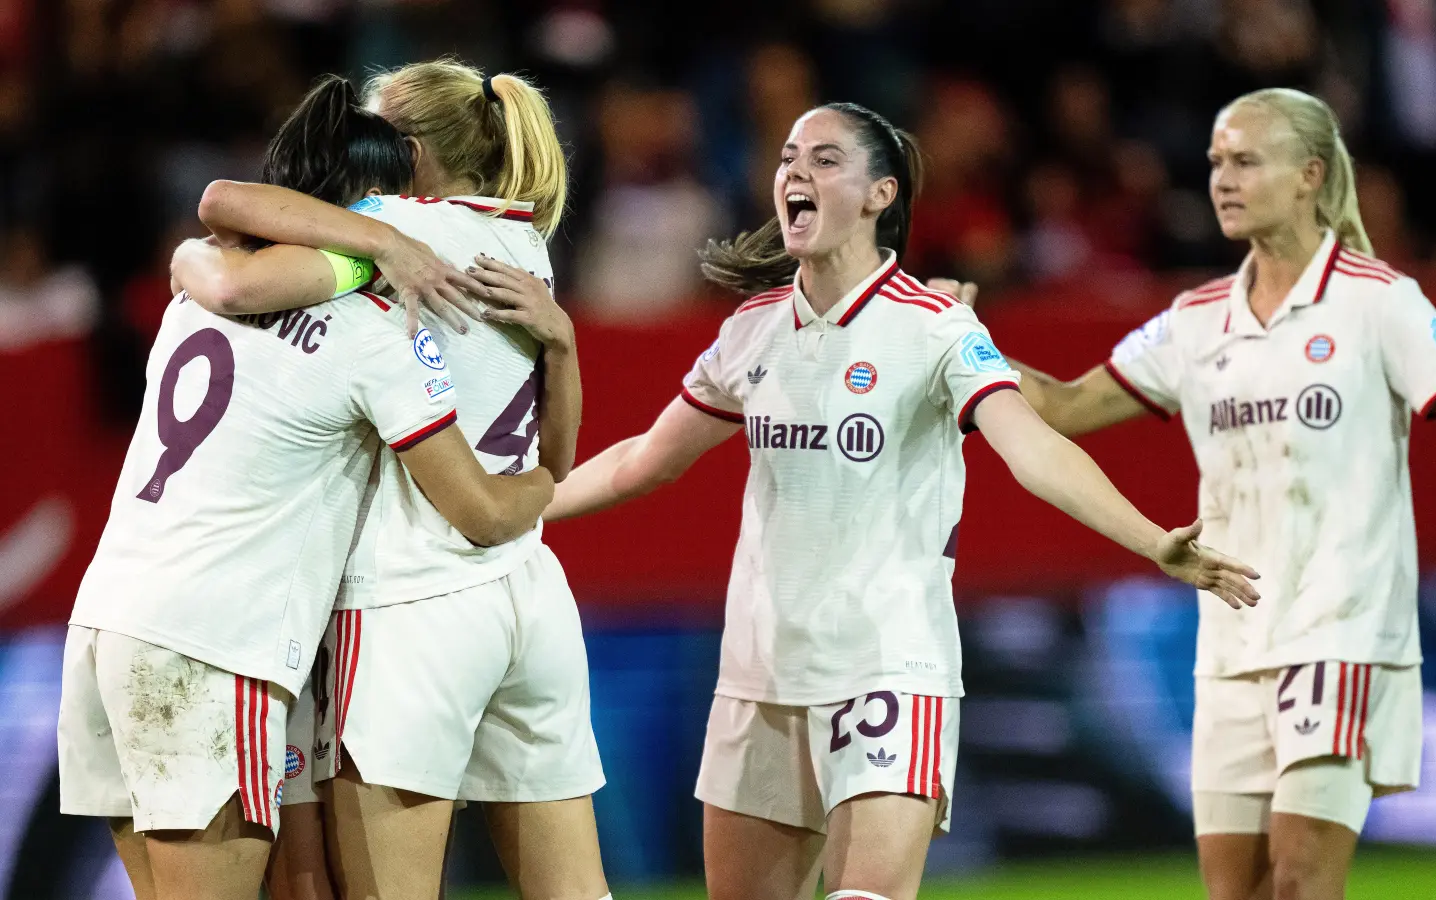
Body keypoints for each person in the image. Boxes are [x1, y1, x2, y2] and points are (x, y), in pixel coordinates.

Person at [542, 101, 1261, 900]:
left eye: (822, 160)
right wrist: (517, 514)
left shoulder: (935, 328)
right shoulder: (751, 330)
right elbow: (643, 461)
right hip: (759, 677)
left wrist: (1151, 539)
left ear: (881, 194)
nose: (794, 174)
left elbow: (1033, 449)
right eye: (787, 158)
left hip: (887, 671)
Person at [936, 88, 1436, 900]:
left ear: (1309, 175)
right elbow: (1071, 404)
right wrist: (967, 345)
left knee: (1299, 878)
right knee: (1236, 892)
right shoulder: (1195, 317)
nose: (1221, 178)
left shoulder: (1377, 300)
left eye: (1246, 160)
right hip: (1231, 645)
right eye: (1218, 160)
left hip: (1340, 628)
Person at [57, 75, 560, 900]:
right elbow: (481, 510)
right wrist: (549, 477)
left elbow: (214, 238)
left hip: (106, 628)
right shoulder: (373, 335)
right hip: (213, 649)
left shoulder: (198, 290)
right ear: (386, 208)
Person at [185, 60, 611, 900]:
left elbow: (221, 207)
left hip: (409, 599)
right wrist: (563, 343)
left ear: (407, 154)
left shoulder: (391, 229)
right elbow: (552, 465)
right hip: (530, 594)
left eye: (372, 134)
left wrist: (371, 236)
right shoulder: (527, 242)